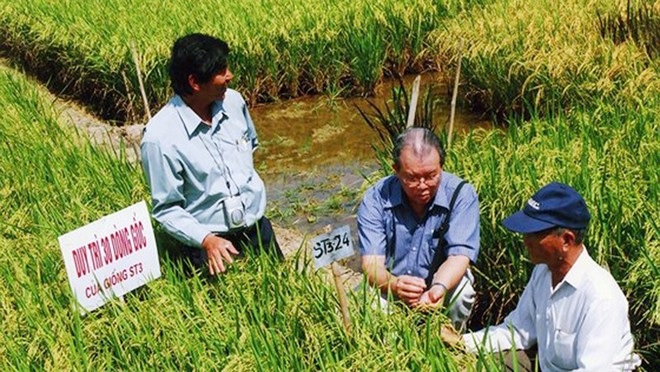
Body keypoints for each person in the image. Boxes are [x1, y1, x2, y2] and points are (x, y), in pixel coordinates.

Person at [140, 33, 282, 276]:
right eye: (221, 70)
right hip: (211, 247)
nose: (230, 75)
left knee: (281, 290)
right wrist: (206, 239)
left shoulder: (235, 103)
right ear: (195, 82)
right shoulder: (159, 138)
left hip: (259, 232)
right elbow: (166, 209)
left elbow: (251, 148)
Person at [463, 182, 641, 371]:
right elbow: (517, 332)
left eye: (535, 234)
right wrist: (461, 342)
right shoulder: (542, 272)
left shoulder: (601, 297)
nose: (525, 241)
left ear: (566, 240)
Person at [357, 127, 479, 331]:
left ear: (441, 166)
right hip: (393, 283)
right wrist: (395, 285)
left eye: (431, 176)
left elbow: (459, 256)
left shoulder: (461, 194)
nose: (422, 185)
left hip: (441, 282)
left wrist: (438, 288)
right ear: (396, 170)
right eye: (412, 178)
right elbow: (371, 265)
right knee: (367, 301)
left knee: (462, 292)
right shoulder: (376, 197)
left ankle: (450, 344)